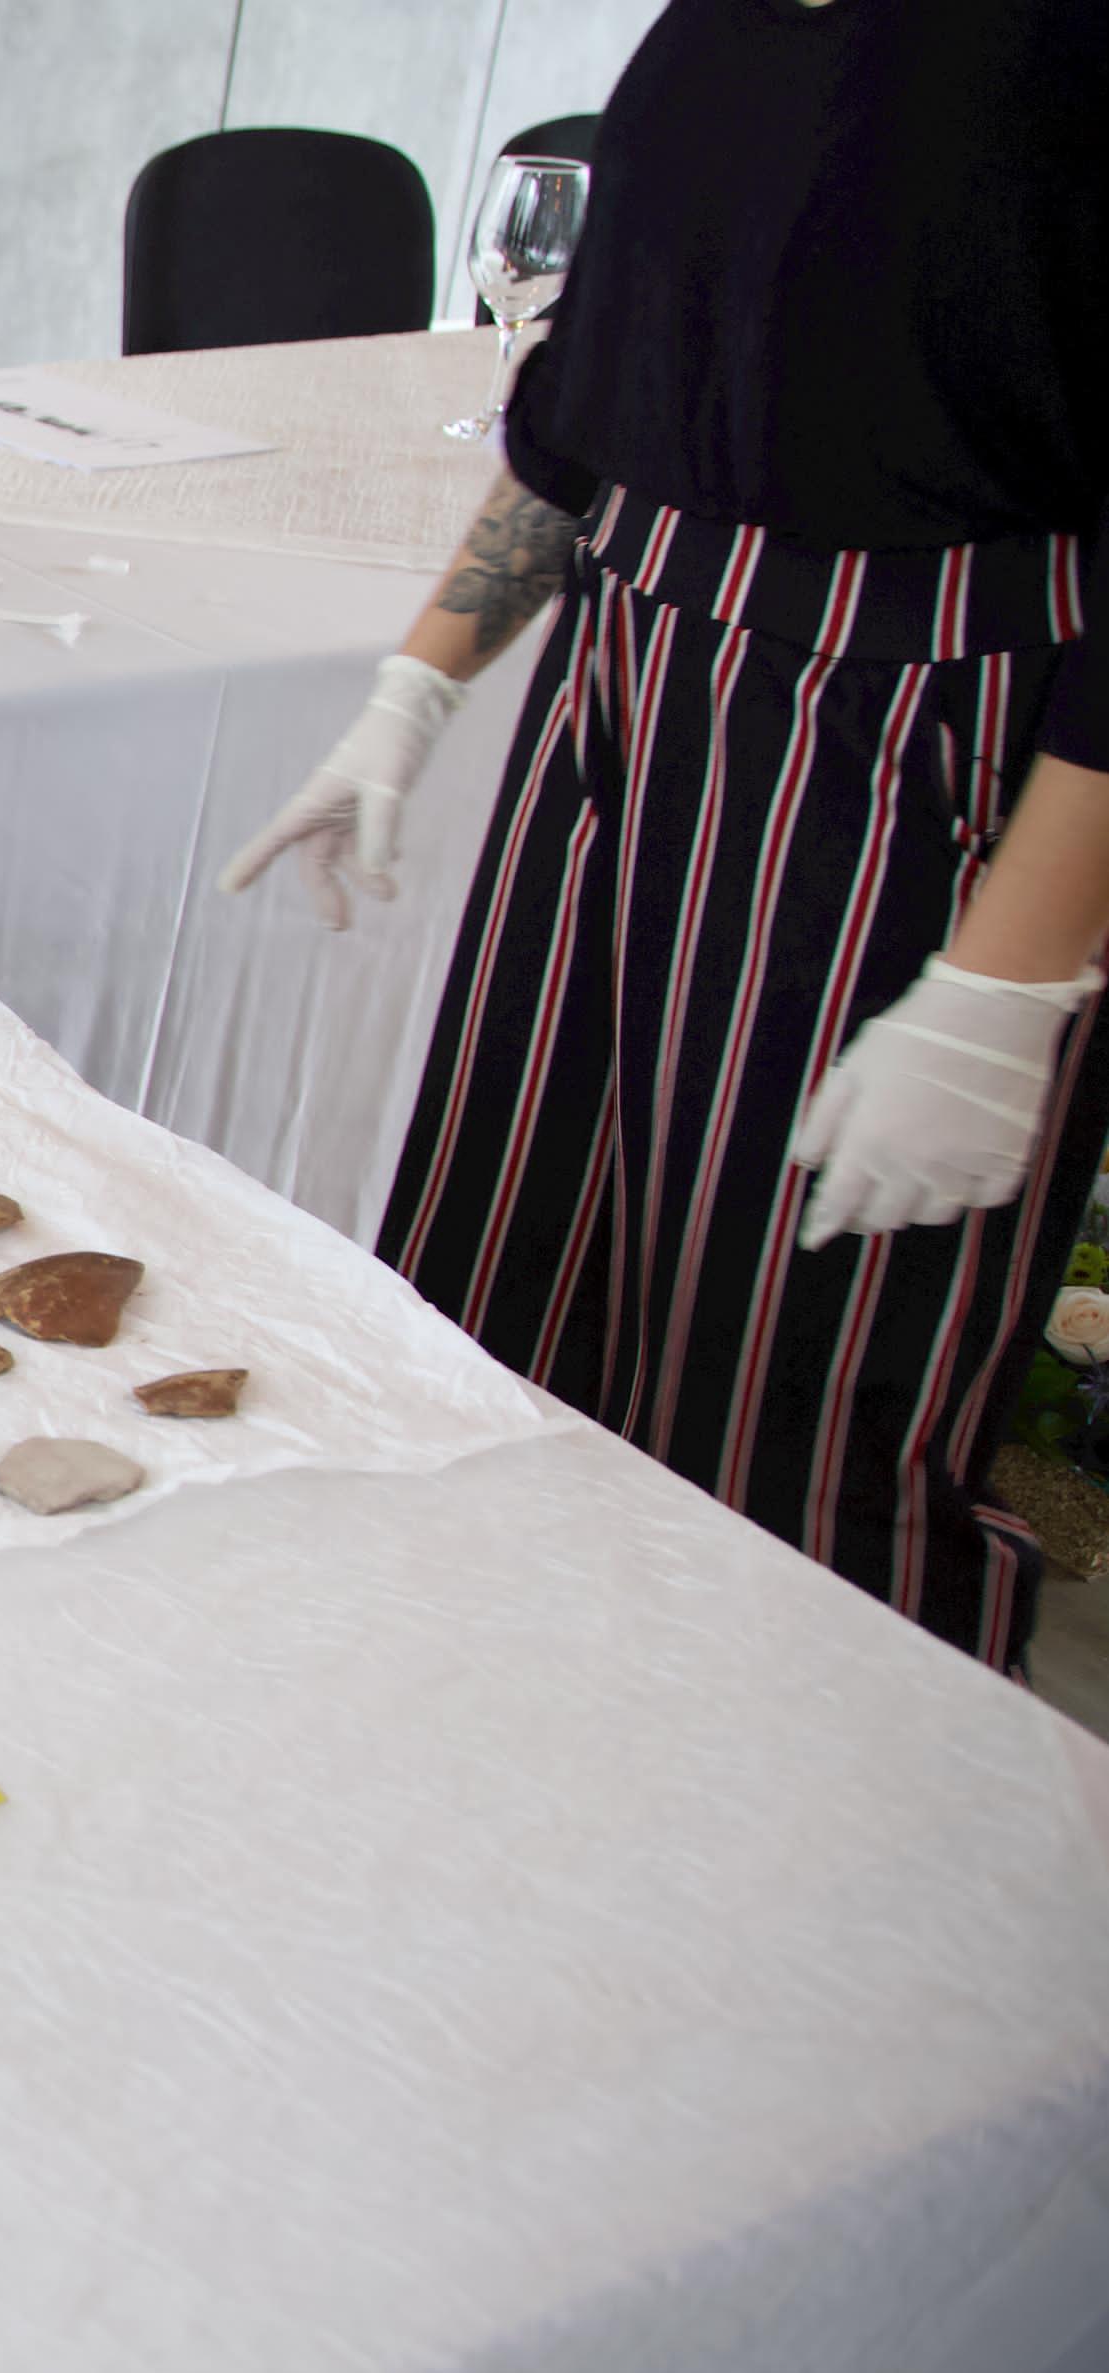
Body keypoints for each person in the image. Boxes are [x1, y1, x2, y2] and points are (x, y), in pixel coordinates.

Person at [226, 0, 1107, 1676]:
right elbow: (582, 421)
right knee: (497, 1276)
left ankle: (806, 1816)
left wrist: (1007, 979)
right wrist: (416, 686)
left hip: (908, 750)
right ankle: (482, 1710)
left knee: (790, 1385)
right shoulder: (717, 32)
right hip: (629, 684)